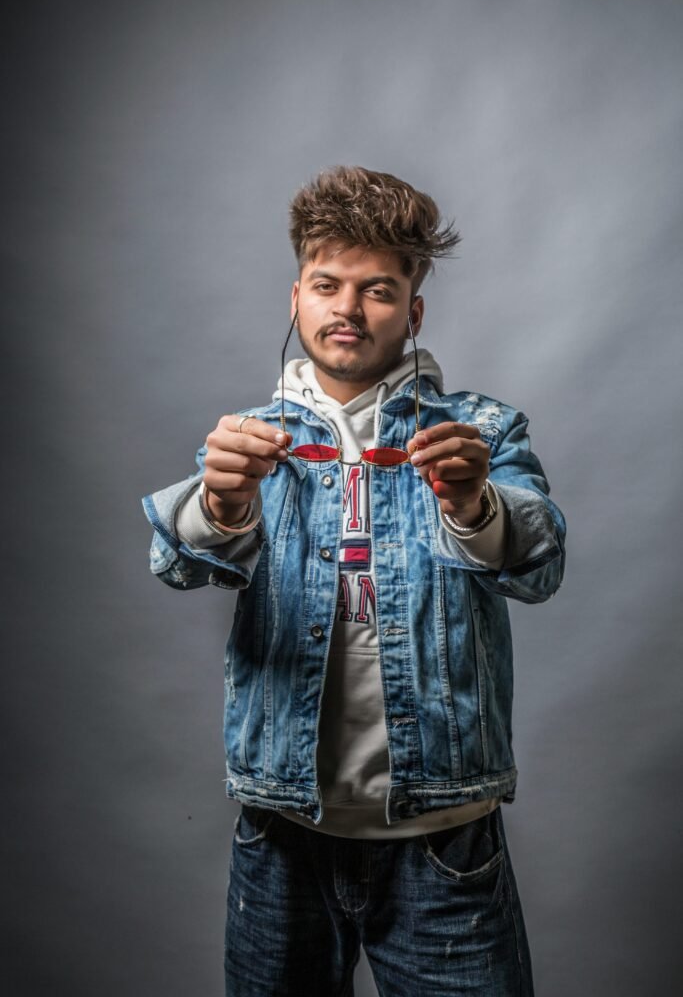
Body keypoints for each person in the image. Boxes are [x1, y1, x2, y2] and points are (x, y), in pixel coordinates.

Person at [143, 166, 566, 996]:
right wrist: (221, 503)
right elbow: (179, 565)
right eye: (327, 284)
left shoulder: (478, 430)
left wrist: (475, 502)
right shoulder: (247, 437)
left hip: (444, 836)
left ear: (412, 311)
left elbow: (539, 564)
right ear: (295, 297)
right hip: (281, 830)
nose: (346, 308)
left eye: (377, 289)